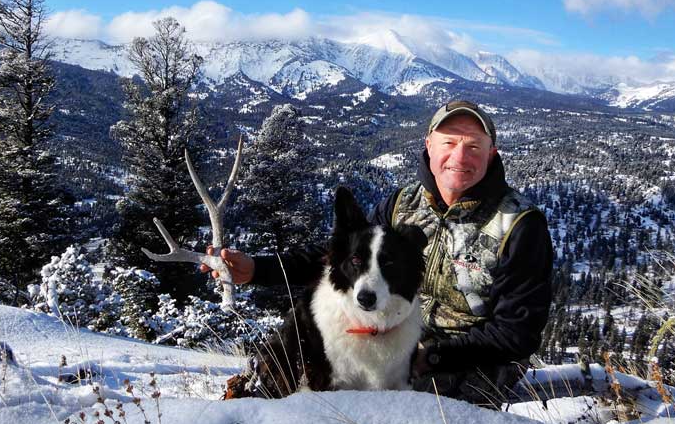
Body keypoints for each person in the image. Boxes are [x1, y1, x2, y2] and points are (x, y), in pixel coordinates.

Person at [203, 99, 554, 406]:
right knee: (303, 335)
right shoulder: (402, 205)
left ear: (492, 153)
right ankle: (254, 404)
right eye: (449, 142)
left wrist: (433, 354)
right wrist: (257, 271)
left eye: (474, 146)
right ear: (429, 146)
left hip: (465, 358)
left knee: (389, 405)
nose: (459, 156)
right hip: (392, 337)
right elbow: (345, 259)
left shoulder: (520, 225)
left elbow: (516, 334)